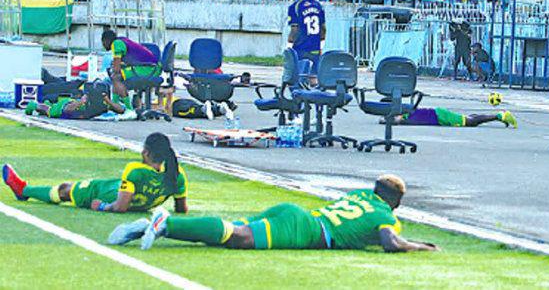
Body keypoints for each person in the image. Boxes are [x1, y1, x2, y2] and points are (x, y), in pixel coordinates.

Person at [109, 175, 439, 253]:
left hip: (299, 215)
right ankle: (164, 224)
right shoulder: (387, 216)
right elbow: (390, 243)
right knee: (238, 238)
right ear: (396, 203)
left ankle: (153, 226)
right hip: (307, 231)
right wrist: (420, 246)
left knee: (235, 230)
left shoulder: (359, 195)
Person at [2, 133, 187, 213]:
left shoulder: (135, 170)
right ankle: (24, 190)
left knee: (66, 190)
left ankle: (23, 190)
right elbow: (181, 208)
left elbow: (120, 207)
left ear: (145, 152)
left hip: (107, 193)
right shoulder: (177, 175)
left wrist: (101, 206)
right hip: (127, 193)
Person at [102, 30, 159, 111]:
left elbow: (116, 69)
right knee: (115, 76)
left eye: (103, 42)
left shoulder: (116, 44)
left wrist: (114, 68)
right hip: (150, 67)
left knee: (116, 77)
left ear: (106, 40)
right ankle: (115, 106)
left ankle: (129, 109)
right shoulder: (122, 40)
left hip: (148, 68)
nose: (103, 45)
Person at [24, 89, 127, 120]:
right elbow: (67, 109)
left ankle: (47, 103)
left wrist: (108, 100)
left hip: (76, 105)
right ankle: (34, 105)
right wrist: (81, 101)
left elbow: (121, 110)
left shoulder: (103, 104)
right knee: (50, 111)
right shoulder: (84, 103)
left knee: (51, 107)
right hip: (69, 105)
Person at [287, 0, 326, 74]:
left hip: (300, 48)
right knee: (314, 78)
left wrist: (289, 46)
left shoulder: (294, 6)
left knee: (297, 76)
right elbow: (323, 29)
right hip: (315, 48)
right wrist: (321, 46)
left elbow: (294, 30)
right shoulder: (318, 5)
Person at [396, 107, 516, 128]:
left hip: (442, 117)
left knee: (471, 122)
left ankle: (500, 116)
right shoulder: (406, 115)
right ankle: (498, 116)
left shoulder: (405, 118)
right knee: (468, 119)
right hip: (440, 115)